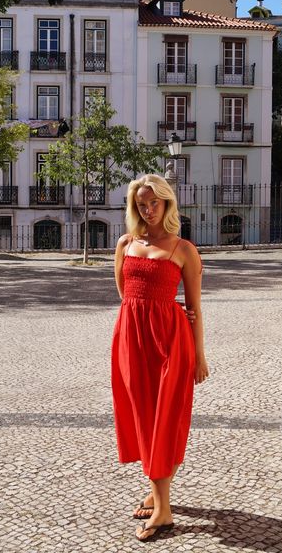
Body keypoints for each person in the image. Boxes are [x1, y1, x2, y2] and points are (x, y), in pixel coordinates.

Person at [111, 173, 209, 542]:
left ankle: (164, 512)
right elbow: (127, 296)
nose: (148, 210)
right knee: (142, 416)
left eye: (154, 203)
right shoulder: (124, 243)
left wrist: (199, 356)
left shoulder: (182, 248)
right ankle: (158, 494)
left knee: (165, 418)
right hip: (131, 341)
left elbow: (195, 309)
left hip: (171, 342)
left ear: (168, 203)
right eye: (141, 204)